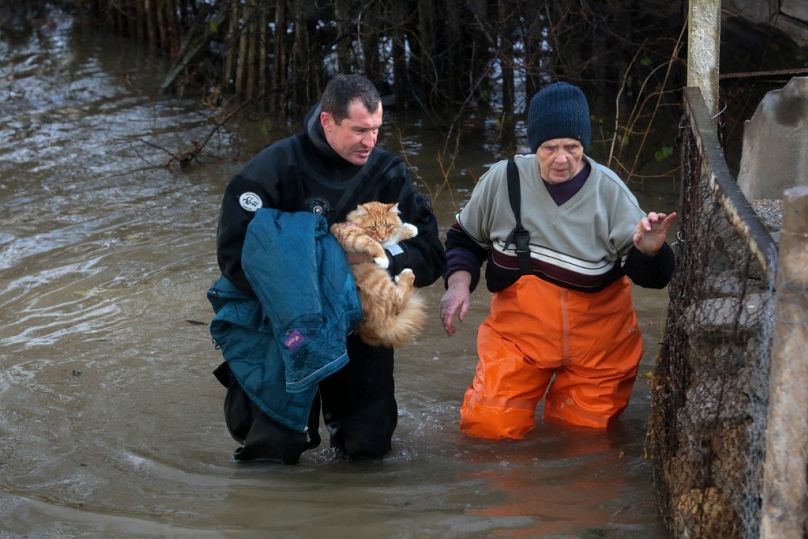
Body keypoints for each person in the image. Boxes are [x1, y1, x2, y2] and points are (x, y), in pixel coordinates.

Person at [209, 74, 445, 463]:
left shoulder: (388, 173)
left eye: (376, 130)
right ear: (328, 121)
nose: (370, 141)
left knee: (368, 449)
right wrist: (327, 264)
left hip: (359, 321)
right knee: (270, 453)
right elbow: (234, 260)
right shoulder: (268, 172)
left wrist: (375, 259)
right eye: (359, 130)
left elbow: (431, 254)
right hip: (282, 325)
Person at [439, 81, 677, 440]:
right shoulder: (503, 181)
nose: (561, 159)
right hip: (519, 339)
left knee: (583, 445)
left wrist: (650, 249)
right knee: (488, 432)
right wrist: (458, 284)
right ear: (535, 146)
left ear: (584, 146)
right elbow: (464, 240)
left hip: (599, 346)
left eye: (572, 147)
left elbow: (655, 279)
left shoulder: (610, 193)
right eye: (550, 148)